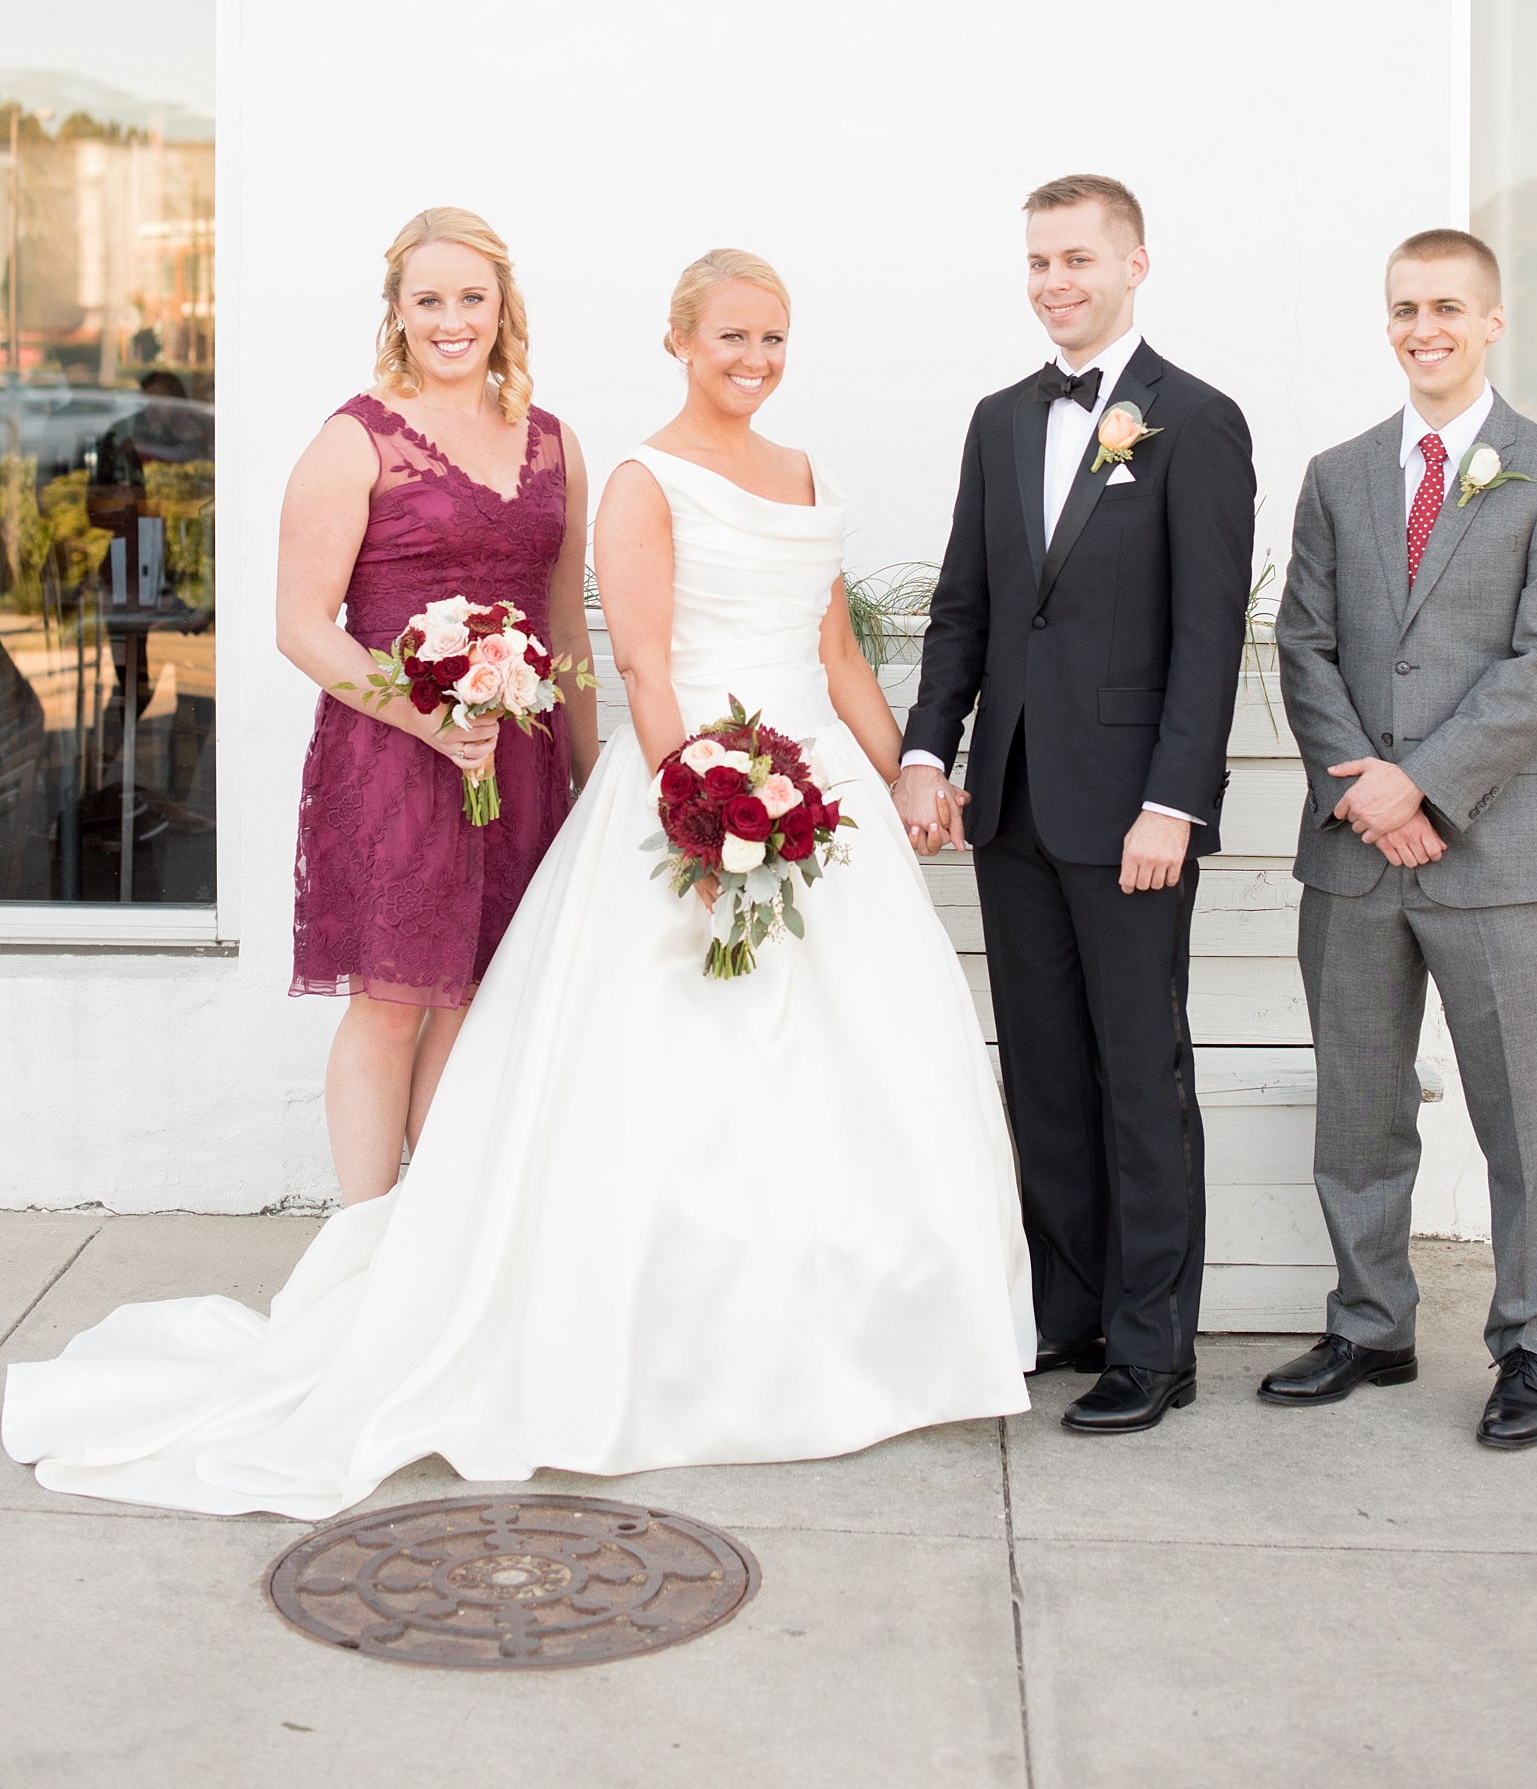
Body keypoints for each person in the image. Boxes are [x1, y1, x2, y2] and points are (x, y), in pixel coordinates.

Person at [3, 248, 1032, 1514]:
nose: (754, 358)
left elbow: (761, 648)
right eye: (730, 336)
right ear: (677, 339)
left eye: (774, 337)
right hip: (543, 760)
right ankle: (392, 1247)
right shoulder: (443, 452)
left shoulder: (597, 448)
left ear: (503, 315)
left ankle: (832, 1321)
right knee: (419, 1002)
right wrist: (679, 809)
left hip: (642, 762)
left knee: (549, 1010)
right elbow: (606, 660)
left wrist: (902, 769)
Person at [895, 174, 1255, 1435]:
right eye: (1038, 260)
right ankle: (1068, 1307)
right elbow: (964, 610)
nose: (1054, 281)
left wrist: (1174, 801)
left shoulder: (1195, 421)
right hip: (1012, 805)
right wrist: (928, 754)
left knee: (1138, 1074)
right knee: (1043, 1073)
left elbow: (1208, 638)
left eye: (1077, 259)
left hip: (1130, 817)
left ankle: (1154, 1343)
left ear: (1134, 264)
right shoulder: (999, 420)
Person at [1266, 228, 1537, 1449]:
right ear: (1388, 320)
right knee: (1358, 1105)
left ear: (1492, 320)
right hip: (1354, 851)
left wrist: (1422, 785)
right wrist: (1364, 788)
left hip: (1494, 849)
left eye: (1450, 307)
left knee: (1520, 1113)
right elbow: (1299, 641)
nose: (1427, 326)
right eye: (1407, 306)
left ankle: (1531, 1341)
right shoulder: (1338, 472)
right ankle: (1369, 1323)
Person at [278, 207, 596, 1204]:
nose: (452, 319)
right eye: (430, 300)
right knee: (390, 1000)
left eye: (472, 297)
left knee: (483, 998)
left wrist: (587, 783)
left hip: (525, 757)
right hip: (393, 759)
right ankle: (364, 1247)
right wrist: (425, 716)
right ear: (397, 311)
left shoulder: (555, 443)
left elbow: (565, 627)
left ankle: (440, 1246)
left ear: (504, 308)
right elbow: (300, 623)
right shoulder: (352, 438)